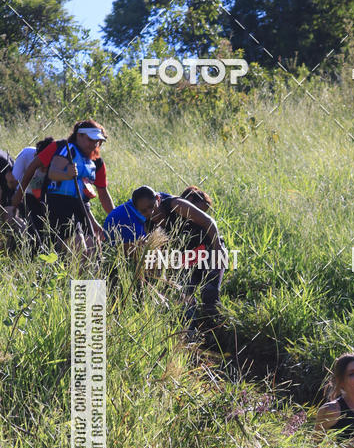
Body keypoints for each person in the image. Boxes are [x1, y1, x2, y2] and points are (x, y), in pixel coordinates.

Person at [133, 184, 227, 336]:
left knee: (209, 295)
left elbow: (209, 222)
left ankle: (221, 336)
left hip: (211, 248)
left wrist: (218, 250)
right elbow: (163, 256)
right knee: (185, 300)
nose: (150, 212)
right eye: (144, 211)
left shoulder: (175, 205)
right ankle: (193, 340)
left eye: (152, 206)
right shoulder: (150, 226)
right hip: (189, 260)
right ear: (139, 212)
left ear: (158, 199)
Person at [10, 119, 114, 252]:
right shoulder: (61, 148)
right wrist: (17, 197)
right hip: (56, 204)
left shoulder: (96, 162)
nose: (94, 144)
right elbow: (34, 168)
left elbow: (103, 194)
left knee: (93, 249)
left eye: (97, 141)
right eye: (90, 139)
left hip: (80, 207)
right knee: (77, 248)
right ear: (79, 135)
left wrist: (117, 217)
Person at [11, 137, 55, 246]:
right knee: (29, 226)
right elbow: (14, 182)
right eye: (42, 165)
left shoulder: (57, 162)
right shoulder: (26, 155)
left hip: (43, 198)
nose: (44, 169)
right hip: (23, 195)